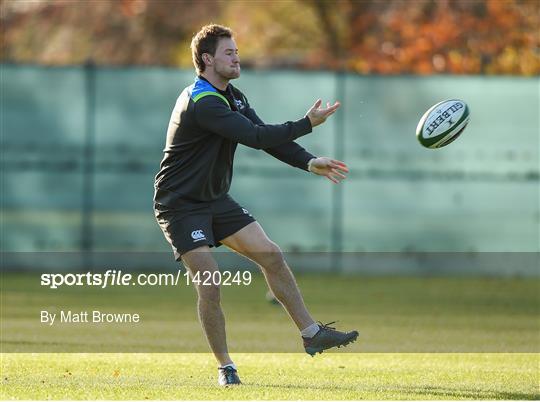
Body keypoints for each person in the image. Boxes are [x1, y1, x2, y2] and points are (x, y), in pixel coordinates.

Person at [153, 24, 358, 386]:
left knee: (272, 255)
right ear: (207, 59)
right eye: (229, 52)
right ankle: (225, 367)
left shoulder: (233, 96)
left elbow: (265, 137)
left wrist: (308, 161)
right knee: (211, 282)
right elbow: (256, 137)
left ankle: (311, 333)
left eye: (236, 51)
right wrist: (306, 123)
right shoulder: (203, 101)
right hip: (180, 205)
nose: (236, 57)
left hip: (214, 200)